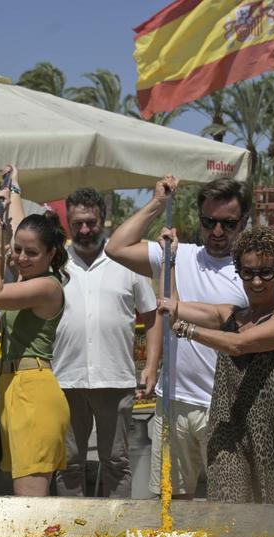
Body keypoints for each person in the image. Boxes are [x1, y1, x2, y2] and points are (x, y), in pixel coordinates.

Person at [106, 175, 249, 499]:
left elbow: (209, 317)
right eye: (208, 221)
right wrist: (158, 203)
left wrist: (168, 271)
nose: (217, 232)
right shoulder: (179, 254)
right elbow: (115, 247)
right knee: (172, 502)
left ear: (243, 222)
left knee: (230, 503)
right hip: (175, 403)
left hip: (226, 407)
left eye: (228, 224)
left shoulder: (250, 272)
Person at [160, 227, 274, 505]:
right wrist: (169, 259)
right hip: (230, 431)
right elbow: (171, 307)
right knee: (228, 516)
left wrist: (186, 329)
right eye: (248, 272)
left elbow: (239, 344)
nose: (256, 282)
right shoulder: (229, 314)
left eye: (266, 272)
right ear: (238, 272)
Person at [52, 187, 157, 498]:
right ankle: (72, 533)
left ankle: (115, 535)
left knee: (117, 462)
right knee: (68, 464)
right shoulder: (55, 263)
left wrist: (151, 366)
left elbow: (152, 316)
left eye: (91, 222)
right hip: (65, 380)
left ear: (104, 220)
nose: (85, 230)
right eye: (78, 223)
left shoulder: (127, 260)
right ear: (68, 224)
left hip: (116, 379)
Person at [0, 169, 69, 497]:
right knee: (25, 501)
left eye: (32, 253)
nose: (21, 258)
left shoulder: (46, 286)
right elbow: (19, 222)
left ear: (50, 255)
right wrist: (12, 185)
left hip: (34, 392)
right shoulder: (27, 276)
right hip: (14, 389)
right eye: (18, 250)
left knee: (31, 505)